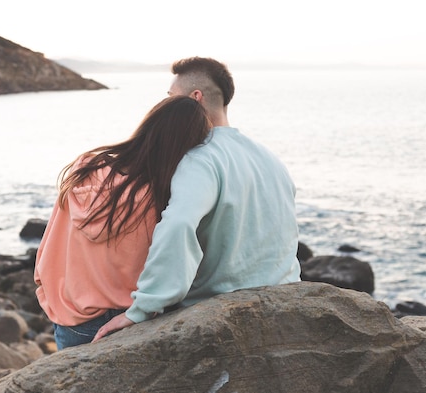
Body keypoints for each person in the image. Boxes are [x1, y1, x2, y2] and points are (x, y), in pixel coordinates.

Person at [93, 57, 301, 342]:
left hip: (221, 316)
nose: (164, 105)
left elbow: (178, 226)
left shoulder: (200, 160)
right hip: (283, 301)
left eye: (170, 98)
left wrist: (142, 308)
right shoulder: (270, 159)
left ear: (195, 98)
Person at [34, 95, 212, 349]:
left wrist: (46, 289)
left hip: (72, 315)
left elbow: (52, 238)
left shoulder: (87, 166)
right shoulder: (164, 195)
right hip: (132, 317)